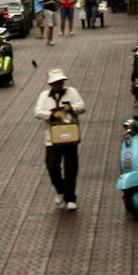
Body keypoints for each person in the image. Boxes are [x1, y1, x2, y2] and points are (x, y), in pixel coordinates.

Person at [34, 67, 86, 209]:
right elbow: (37, 112)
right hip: (52, 138)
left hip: (70, 136)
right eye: (56, 83)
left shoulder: (72, 92)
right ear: (51, 84)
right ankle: (60, 190)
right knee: (52, 167)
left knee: (71, 168)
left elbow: (82, 106)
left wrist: (72, 108)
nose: (59, 85)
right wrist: (51, 115)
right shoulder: (44, 96)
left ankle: (70, 198)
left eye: (61, 82)